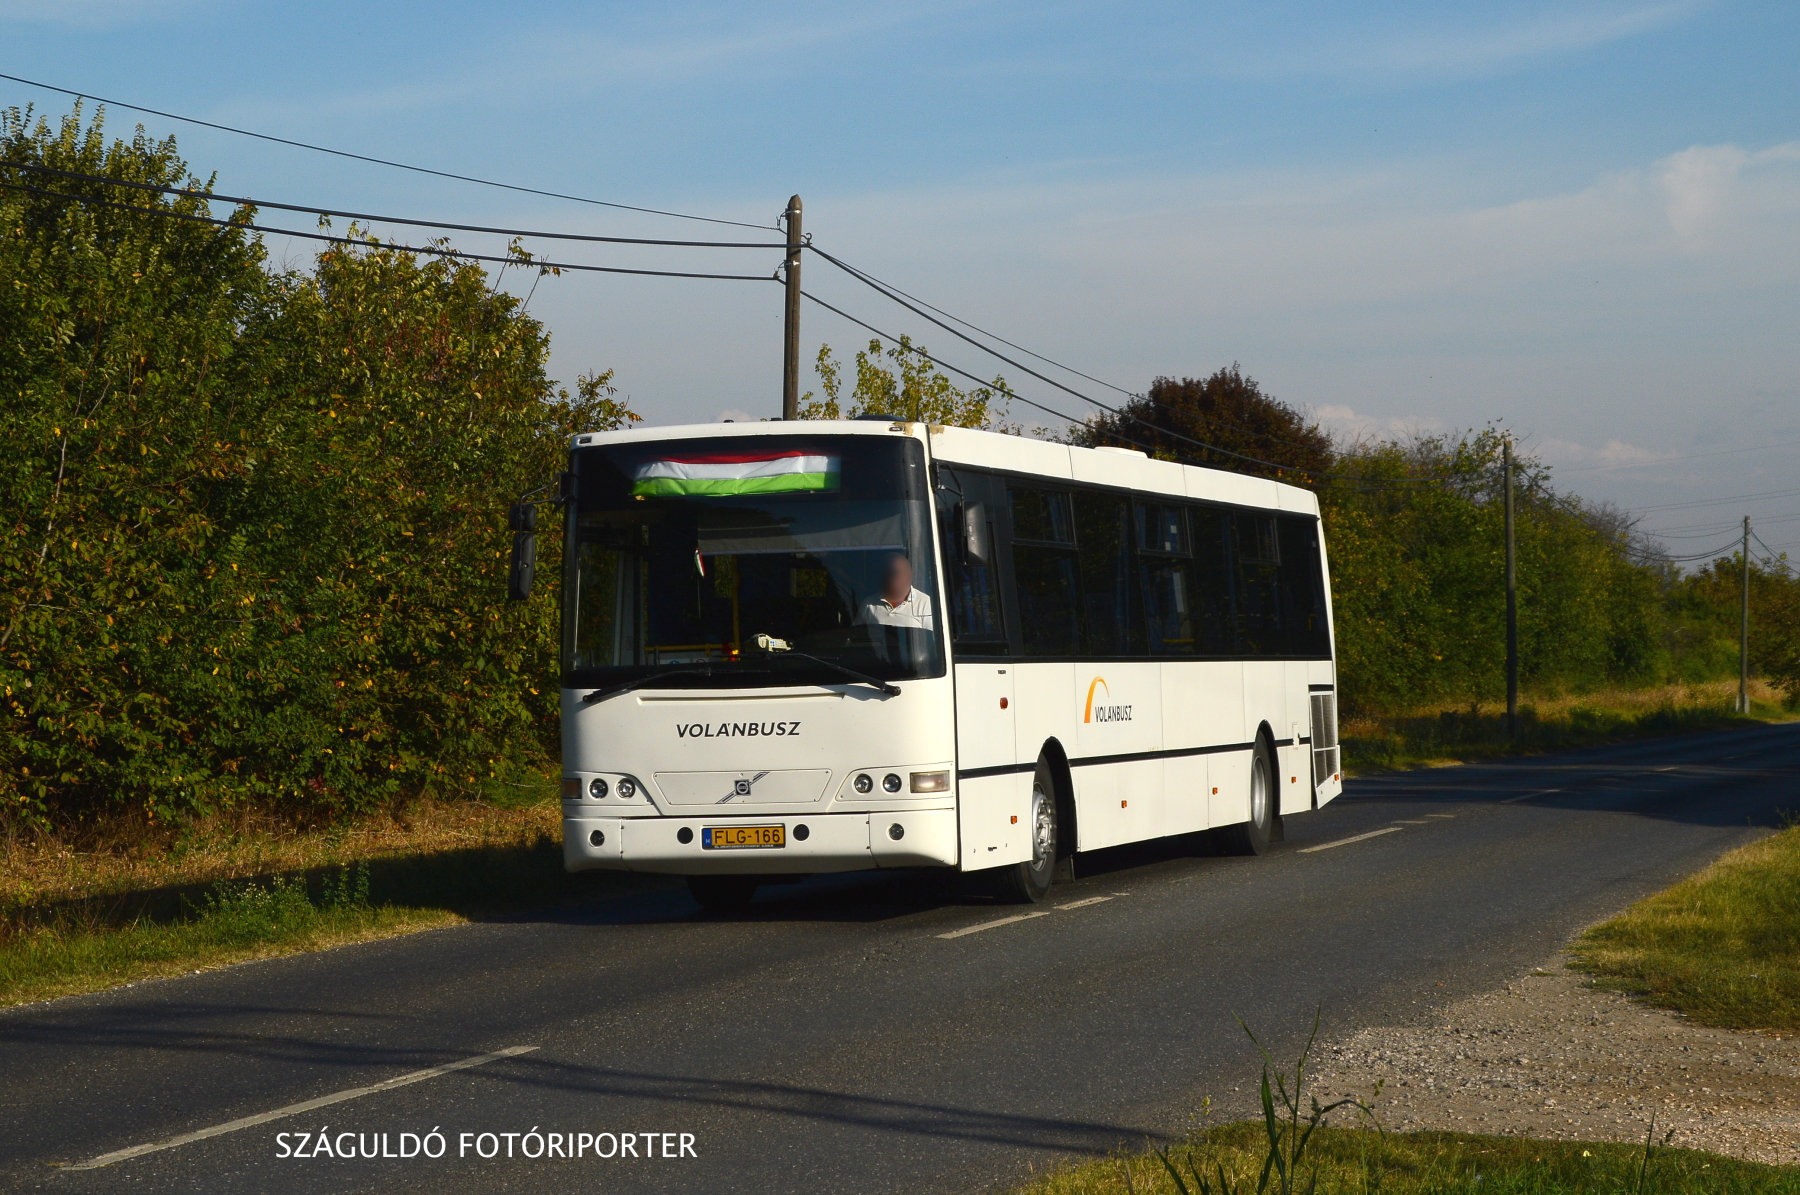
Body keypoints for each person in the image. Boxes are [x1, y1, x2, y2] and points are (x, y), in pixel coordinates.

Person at [857, 551, 935, 632]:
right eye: (887, 572)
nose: (892, 577)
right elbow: (856, 634)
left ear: (909, 574)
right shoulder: (868, 604)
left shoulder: (926, 604)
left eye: (897, 572)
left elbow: (932, 641)